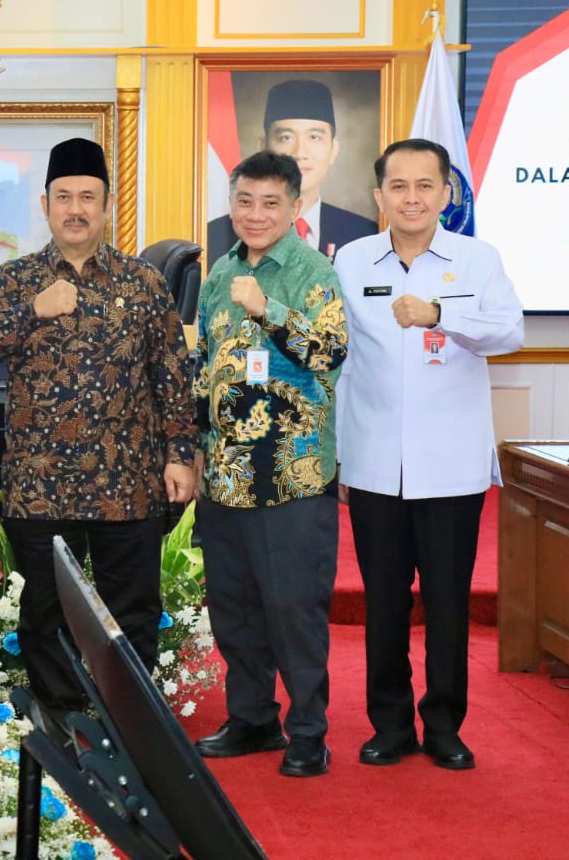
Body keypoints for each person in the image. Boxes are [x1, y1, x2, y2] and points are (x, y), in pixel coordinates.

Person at [0, 137, 197, 719]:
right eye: (64, 197)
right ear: (45, 205)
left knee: (133, 614)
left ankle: (131, 727)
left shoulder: (143, 282)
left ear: (107, 204)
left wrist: (180, 454)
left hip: (128, 482)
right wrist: (34, 311)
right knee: (45, 618)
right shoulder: (14, 278)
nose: (76, 209)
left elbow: (172, 373)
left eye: (88, 197)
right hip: (41, 486)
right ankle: (62, 729)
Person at [333, 137, 523, 772]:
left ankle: (444, 725)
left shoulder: (476, 258)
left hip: (450, 466)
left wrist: (441, 313)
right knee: (384, 604)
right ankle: (389, 725)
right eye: (398, 186)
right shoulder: (351, 261)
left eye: (424, 186)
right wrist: (340, 456)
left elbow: (510, 331)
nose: (411, 198)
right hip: (374, 464)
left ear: (446, 193)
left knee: (447, 603)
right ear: (379, 195)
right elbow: (341, 365)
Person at [194, 149, 348, 778]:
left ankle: (309, 732)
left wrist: (268, 310)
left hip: (293, 476)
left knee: (294, 611)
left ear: (294, 207)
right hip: (226, 474)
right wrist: (196, 448)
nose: (255, 214)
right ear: (231, 204)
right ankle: (252, 719)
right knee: (234, 610)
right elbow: (205, 365)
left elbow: (330, 352)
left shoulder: (314, 272)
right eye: (244, 201)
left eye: (270, 203)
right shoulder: (218, 273)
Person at [206, 78, 378, 260]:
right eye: (286, 138)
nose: (300, 153)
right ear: (264, 148)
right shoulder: (213, 236)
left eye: (314, 137)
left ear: (333, 150)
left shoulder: (364, 234)